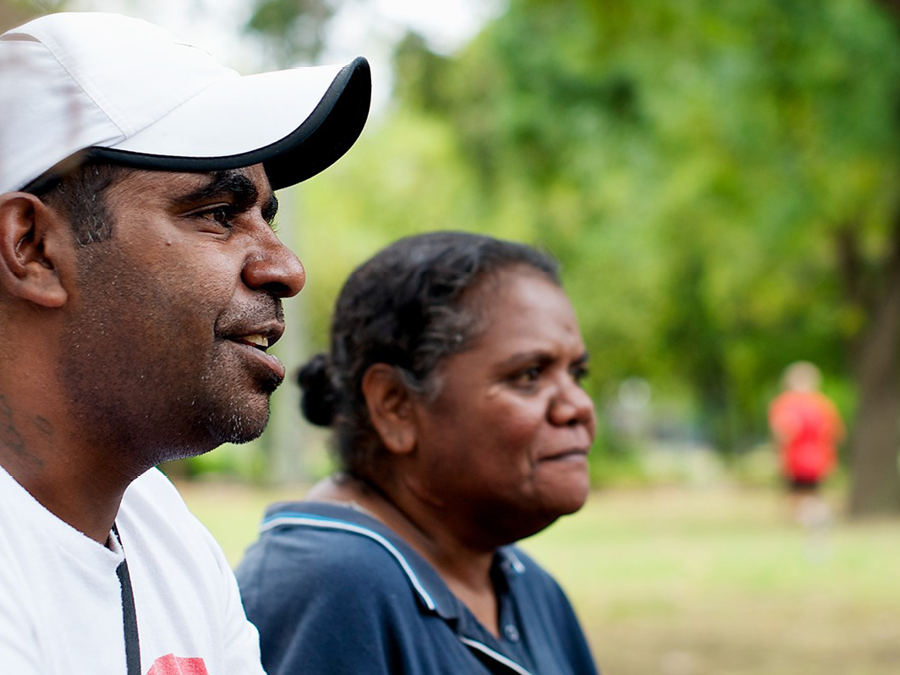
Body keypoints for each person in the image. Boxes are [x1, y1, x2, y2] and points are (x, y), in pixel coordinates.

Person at [0, 12, 370, 675]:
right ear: (33, 248)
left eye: (266, 216)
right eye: (217, 214)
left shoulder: (159, 527)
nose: (286, 268)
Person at [236, 232, 600, 675]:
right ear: (396, 406)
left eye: (576, 373)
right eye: (529, 374)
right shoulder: (331, 585)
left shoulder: (525, 586)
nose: (578, 406)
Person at [768, 361, 843, 529]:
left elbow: (782, 432)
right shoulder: (823, 404)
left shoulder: (786, 404)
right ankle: (815, 522)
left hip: (800, 460)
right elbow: (836, 433)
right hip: (815, 460)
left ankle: (813, 524)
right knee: (810, 497)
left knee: (796, 499)